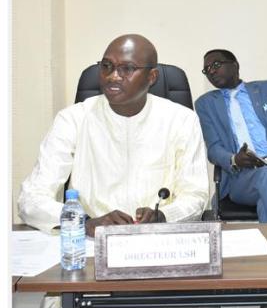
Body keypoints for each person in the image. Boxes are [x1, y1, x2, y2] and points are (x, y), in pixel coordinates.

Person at [18, 34, 210, 237]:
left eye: (127, 69)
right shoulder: (73, 119)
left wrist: (163, 216)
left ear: (152, 77)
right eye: (107, 66)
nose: (113, 76)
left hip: (159, 241)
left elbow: (195, 195)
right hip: (91, 244)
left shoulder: (181, 120)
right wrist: (86, 223)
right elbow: (30, 199)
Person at [195, 49, 267, 223]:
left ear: (235, 65)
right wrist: (234, 159)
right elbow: (214, 149)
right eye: (207, 70)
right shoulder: (205, 104)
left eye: (216, 65)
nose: (212, 71)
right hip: (243, 178)